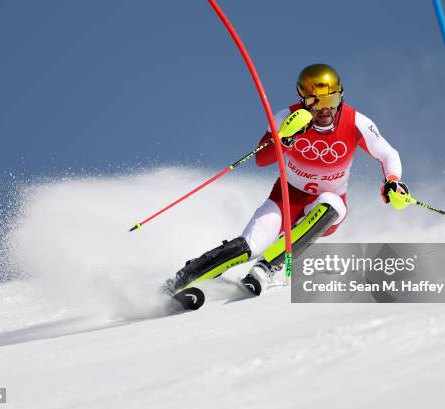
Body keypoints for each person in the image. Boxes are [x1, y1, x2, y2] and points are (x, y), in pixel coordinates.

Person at [162, 63, 408, 296]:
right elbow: (261, 158)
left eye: (332, 100)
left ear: (340, 96)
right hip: (285, 199)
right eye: (317, 102)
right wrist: (285, 141)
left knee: (332, 204)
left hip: (326, 205)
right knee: (249, 246)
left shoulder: (356, 122)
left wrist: (393, 181)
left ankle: (267, 267)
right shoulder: (287, 117)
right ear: (305, 101)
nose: (325, 110)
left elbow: (388, 154)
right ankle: (183, 278)